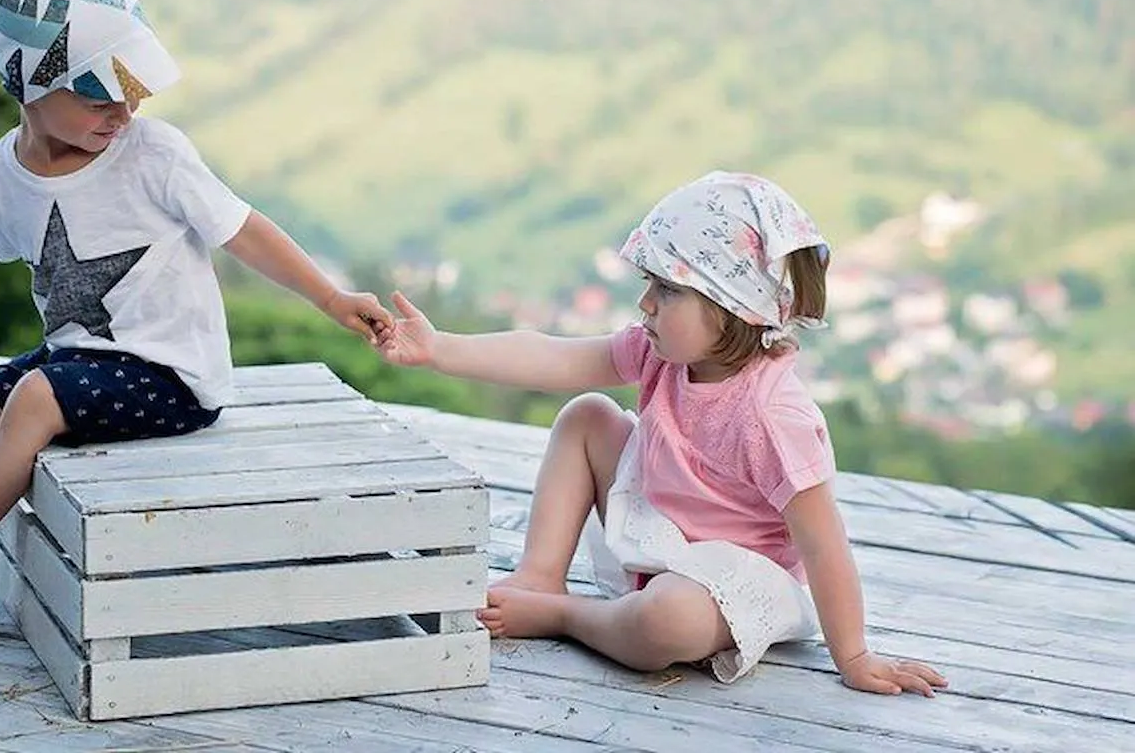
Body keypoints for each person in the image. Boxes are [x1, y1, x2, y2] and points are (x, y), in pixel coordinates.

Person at [0, 0, 392, 642]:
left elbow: (245, 231)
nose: (124, 111)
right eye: (100, 97)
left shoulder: (155, 155)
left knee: (33, 396)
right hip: (81, 361)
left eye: (134, 93)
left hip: (173, 376)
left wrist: (331, 296)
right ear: (30, 87)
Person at [376, 171, 947, 696]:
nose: (645, 303)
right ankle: (542, 577)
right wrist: (441, 349)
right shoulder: (661, 354)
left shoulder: (774, 415)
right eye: (650, 283)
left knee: (667, 620)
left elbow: (824, 545)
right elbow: (553, 358)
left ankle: (564, 616)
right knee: (588, 414)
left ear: (734, 308)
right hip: (660, 535)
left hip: (730, 579)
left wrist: (854, 655)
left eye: (668, 290)